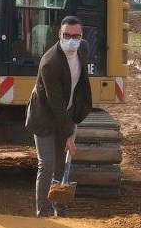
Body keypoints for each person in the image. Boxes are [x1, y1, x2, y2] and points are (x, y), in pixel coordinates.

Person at [25, 15, 92, 217]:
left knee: (62, 163)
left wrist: (77, 113)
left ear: (81, 35)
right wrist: (69, 136)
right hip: (44, 116)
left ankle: (59, 207)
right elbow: (55, 105)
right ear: (59, 35)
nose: (71, 40)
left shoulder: (83, 48)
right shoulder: (49, 63)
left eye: (76, 35)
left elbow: (78, 84)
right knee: (47, 164)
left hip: (67, 111)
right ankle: (43, 213)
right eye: (67, 35)